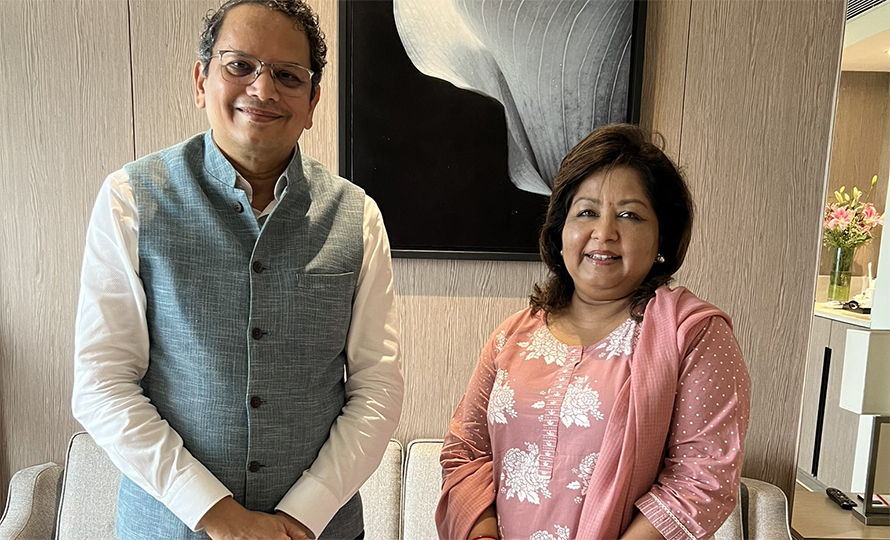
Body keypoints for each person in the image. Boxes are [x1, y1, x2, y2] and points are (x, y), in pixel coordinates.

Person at [71, 1, 403, 539]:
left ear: (313, 99)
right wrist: (216, 514)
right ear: (202, 81)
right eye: (240, 66)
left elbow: (377, 387)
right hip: (171, 527)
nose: (263, 90)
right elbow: (102, 384)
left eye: (288, 76)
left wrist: (304, 512)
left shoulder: (357, 215)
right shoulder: (130, 199)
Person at [435, 124, 751, 540]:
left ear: (662, 236)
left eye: (629, 214)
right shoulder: (513, 336)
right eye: (586, 212)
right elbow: (465, 452)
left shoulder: (694, 335)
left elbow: (701, 482)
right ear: (561, 232)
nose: (604, 232)